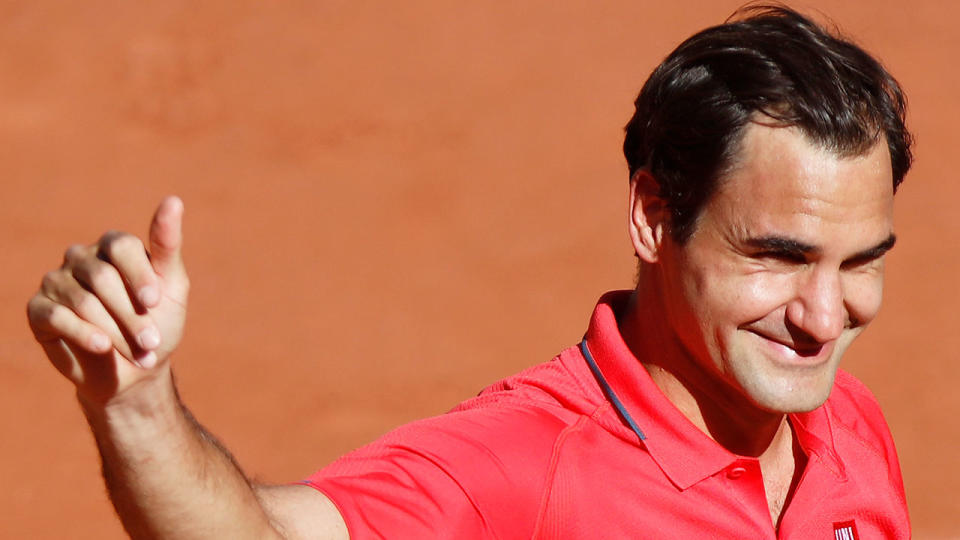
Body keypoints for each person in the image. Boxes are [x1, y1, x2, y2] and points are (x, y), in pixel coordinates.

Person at [26, 5, 912, 539]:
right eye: (778, 258)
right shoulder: (520, 465)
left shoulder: (847, 426)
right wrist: (135, 405)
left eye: (860, 263)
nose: (825, 320)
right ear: (653, 216)